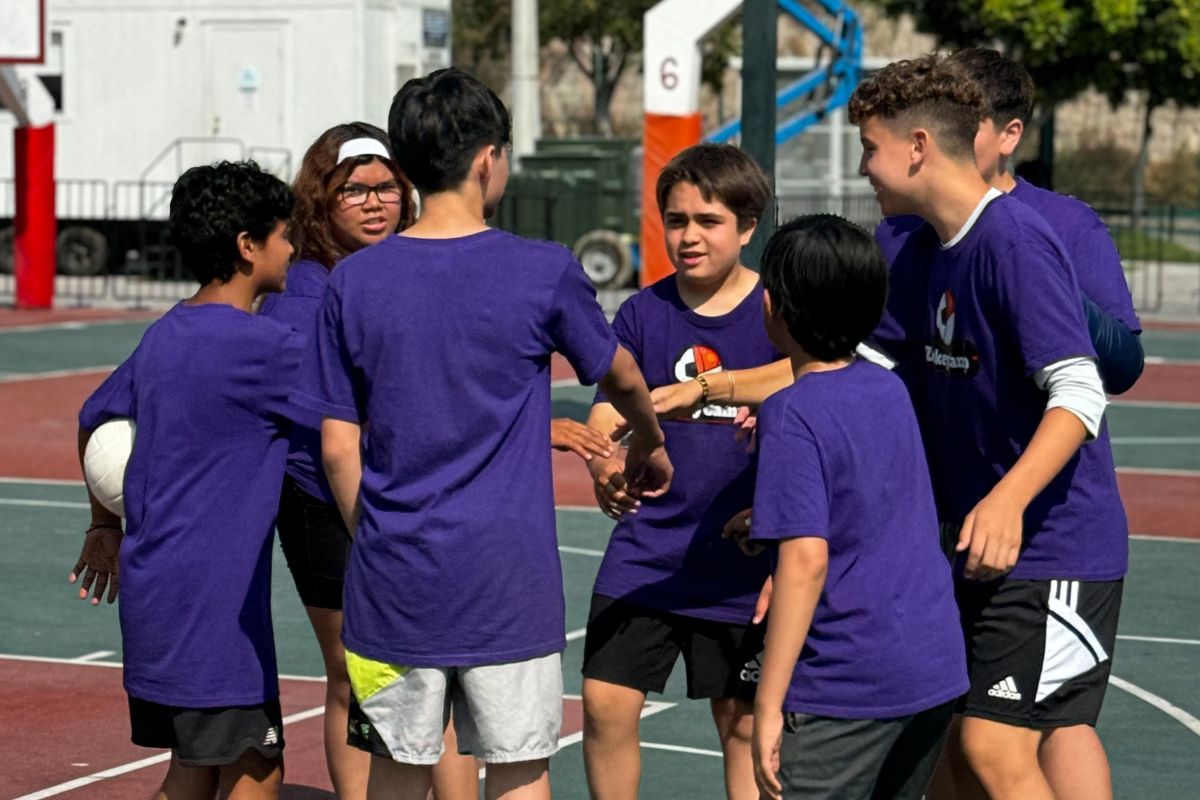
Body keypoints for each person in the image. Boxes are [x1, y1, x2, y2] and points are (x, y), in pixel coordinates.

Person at [293, 68, 671, 800]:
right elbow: (620, 373)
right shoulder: (541, 270)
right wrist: (649, 441)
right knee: (520, 769)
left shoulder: (353, 282)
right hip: (508, 583)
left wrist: (375, 543)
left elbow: (338, 445)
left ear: (404, 169)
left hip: (393, 583)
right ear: (487, 159)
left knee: (396, 774)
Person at [847, 55, 1127, 800]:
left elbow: (1080, 390)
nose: (864, 169)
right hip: (968, 545)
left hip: (1054, 547)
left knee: (994, 746)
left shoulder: (1014, 241)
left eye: (870, 148)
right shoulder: (922, 249)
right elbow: (864, 379)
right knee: (955, 746)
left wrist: (1008, 499)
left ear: (917, 147)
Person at [257, 122, 478, 800]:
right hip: (322, 498)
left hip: (415, 495)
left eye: (388, 187)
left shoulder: (416, 263)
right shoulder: (306, 292)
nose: (376, 202)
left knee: (438, 671)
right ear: (321, 200)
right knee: (358, 674)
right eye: (355, 191)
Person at [71, 161, 301, 799]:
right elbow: (363, 413)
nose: (292, 247)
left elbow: (93, 422)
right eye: (284, 234)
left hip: (159, 602)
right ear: (248, 246)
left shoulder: (164, 334)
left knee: (195, 769)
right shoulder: (267, 348)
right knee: (257, 765)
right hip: (215, 616)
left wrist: (101, 525)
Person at [580, 143, 778, 800]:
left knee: (743, 723)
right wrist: (605, 456)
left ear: (748, 227)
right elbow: (611, 405)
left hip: (743, 553)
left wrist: (724, 390)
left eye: (708, 220)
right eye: (676, 219)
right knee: (606, 704)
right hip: (650, 549)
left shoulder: (776, 311)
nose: (688, 235)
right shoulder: (644, 311)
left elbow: (807, 373)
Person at [748, 214, 967, 800]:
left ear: (775, 307)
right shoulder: (889, 389)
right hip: (934, 663)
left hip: (849, 679)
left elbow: (805, 561)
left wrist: (768, 704)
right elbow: (871, 504)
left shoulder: (791, 413)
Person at [874, 47, 1143, 396]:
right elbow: (877, 361)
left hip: (1038, 451)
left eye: (966, 123)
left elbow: (1123, 368)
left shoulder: (1066, 224)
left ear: (1009, 135)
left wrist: (1040, 278)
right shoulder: (900, 232)